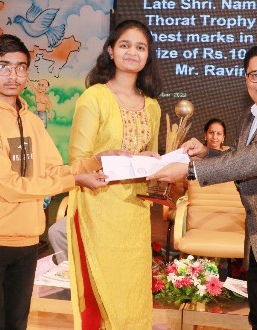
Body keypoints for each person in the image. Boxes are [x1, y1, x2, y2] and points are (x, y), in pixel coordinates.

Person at [149, 43, 257, 330]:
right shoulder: (251, 114)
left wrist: (191, 169)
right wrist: (209, 154)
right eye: (254, 75)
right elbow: (244, 159)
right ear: (246, 80)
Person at [0, 34, 111, 330]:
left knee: (17, 324)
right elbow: (7, 185)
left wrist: (98, 160)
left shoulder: (30, 120)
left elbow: (54, 169)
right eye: (3, 67)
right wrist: (74, 180)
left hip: (28, 241)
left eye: (20, 67)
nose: (12, 75)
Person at [67, 19, 163, 329]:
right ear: (110, 51)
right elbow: (75, 162)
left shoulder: (153, 107)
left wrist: (155, 162)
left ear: (148, 56)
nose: (132, 52)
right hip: (98, 208)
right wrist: (99, 158)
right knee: (103, 293)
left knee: (132, 293)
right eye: (124, 45)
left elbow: (153, 168)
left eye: (140, 47)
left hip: (135, 210)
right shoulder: (93, 97)